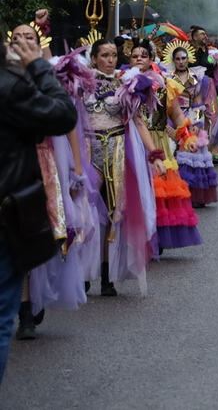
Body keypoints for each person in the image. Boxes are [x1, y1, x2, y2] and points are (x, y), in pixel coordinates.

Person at [0, 20, 78, 381]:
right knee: (2, 316)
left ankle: (30, 310)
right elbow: (61, 115)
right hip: (8, 204)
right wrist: (39, 70)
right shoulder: (11, 84)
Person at [84, 38, 164, 297]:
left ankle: (106, 275)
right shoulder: (80, 83)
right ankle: (82, 272)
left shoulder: (125, 84)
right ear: (94, 58)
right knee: (84, 212)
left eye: (114, 55)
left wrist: (155, 154)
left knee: (111, 214)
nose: (110, 59)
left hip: (116, 151)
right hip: (87, 152)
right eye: (104, 55)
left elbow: (138, 122)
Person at [130, 40, 202, 250]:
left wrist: (187, 137)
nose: (139, 59)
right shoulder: (122, 84)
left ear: (151, 59)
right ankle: (137, 239)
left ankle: (157, 238)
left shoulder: (164, 85)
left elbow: (177, 115)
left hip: (159, 142)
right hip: (132, 142)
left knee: (159, 190)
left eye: (143, 56)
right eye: (135, 56)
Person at [163, 44, 218, 207]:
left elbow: (198, 102)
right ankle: (176, 194)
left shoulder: (197, 77)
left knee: (195, 154)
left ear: (188, 59)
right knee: (173, 154)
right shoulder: (167, 78)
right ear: (173, 60)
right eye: (178, 59)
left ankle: (194, 195)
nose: (181, 61)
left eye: (183, 58)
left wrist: (197, 123)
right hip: (173, 119)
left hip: (191, 117)